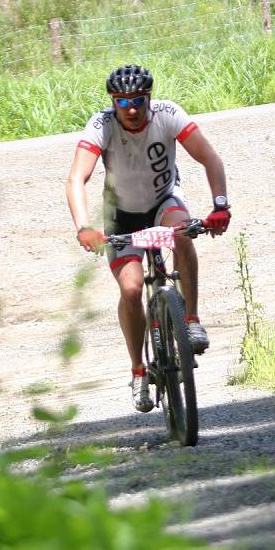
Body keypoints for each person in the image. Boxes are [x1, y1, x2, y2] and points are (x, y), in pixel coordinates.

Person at [66, 64, 231, 413]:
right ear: (113, 101)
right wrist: (84, 227)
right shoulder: (102, 125)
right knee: (130, 289)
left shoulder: (168, 115)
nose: (130, 109)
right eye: (122, 102)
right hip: (120, 214)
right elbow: (76, 179)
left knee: (183, 230)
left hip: (162, 201)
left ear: (149, 99)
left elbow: (210, 158)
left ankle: (191, 320)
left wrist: (220, 206)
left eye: (138, 101)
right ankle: (139, 371)